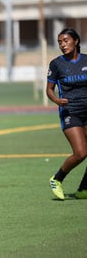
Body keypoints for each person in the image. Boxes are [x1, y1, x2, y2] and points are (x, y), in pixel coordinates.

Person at [47, 28, 87, 200]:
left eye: (65, 40)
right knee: (81, 153)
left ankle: (83, 189)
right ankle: (57, 179)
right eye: (60, 42)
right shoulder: (56, 64)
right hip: (71, 112)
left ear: (76, 41)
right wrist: (56, 100)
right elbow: (49, 90)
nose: (62, 45)